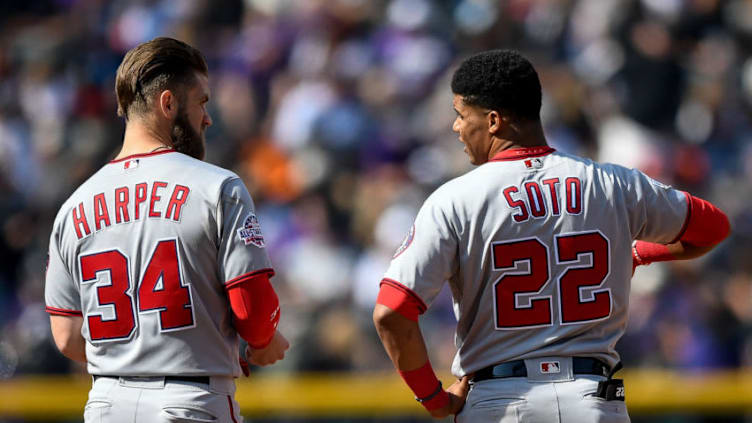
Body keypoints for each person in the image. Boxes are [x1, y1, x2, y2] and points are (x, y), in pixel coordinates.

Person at [372, 49, 730, 422]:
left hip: (500, 401)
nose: (456, 127)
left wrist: (433, 399)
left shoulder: (455, 200)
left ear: (494, 121)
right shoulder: (611, 183)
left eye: (462, 115)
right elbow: (713, 228)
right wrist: (638, 253)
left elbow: (392, 311)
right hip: (593, 399)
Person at [44, 37, 289, 422]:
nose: (208, 118)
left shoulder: (74, 205)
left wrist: (132, 356)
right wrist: (264, 341)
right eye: (202, 102)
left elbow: (67, 337)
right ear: (169, 103)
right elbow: (253, 311)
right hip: (191, 400)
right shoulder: (217, 187)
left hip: (106, 403)